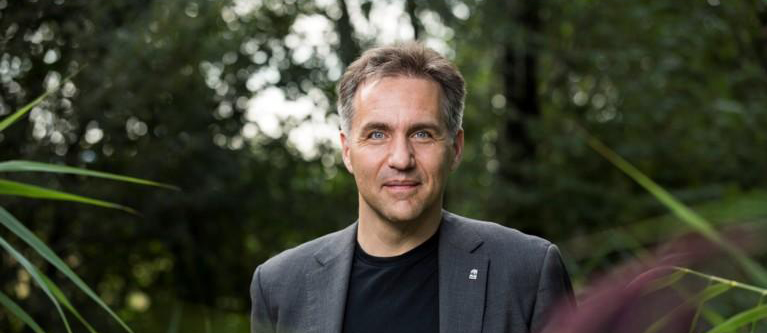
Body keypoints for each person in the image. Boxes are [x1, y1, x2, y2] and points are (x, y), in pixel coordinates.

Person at [250, 42, 574, 333]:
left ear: (456, 149)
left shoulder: (527, 271)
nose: (401, 159)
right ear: (347, 151)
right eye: (377, 134)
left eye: (422, 134)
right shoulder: (279, 286)